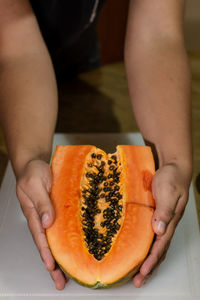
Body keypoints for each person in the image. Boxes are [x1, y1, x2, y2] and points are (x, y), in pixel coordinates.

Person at [0, 0, 192, 290]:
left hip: (77, 53)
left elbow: (158, 32)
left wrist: (175, 161)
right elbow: (16, 45)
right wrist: (29, 158)